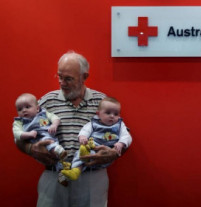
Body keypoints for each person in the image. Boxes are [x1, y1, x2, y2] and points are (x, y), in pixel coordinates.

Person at [15, 51, 131, 207]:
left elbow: (123, 134)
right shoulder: (46, 101)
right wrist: (30, 148)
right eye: (59, 77)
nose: (62, 83)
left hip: (91, 177)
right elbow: (19, 136)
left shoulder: (102, 102)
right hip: (54, 176)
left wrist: (114, 154)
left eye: (68, 79)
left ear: (85, 77)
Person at [61, 97, 132, 180]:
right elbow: (85, 130)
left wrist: (121, 143)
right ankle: (76, 170)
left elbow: (126, 136)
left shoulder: (120, 125)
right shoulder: (94, 123)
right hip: (93, 148)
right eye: (108, 113)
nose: (112, 116)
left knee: (89, 157)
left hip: (107, 152)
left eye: (116, 114)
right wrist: (83, 137)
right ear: (98, 114)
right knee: (81, 153)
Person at [13, 93, 66, 164]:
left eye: (27, 107)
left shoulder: (43, 113)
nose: (24, 110)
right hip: (35, 140)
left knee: (49, 141)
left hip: (47, 134)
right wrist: (28, 135)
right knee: (48, 149)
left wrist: (54, 124)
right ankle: (60, 162)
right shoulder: (19, 122)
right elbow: (16, 134)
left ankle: (59, 152)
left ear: (37, 108)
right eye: (20, 109)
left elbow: (54, 117)